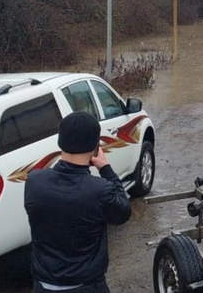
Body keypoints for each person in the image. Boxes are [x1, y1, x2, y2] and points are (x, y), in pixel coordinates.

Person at [24, 111, 132, 292]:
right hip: (86, 286)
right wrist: (105, 168)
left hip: (43, 286)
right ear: (95, 147)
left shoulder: (34, 181)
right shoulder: (99, 190)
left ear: (60, 142)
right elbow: (123, 212)